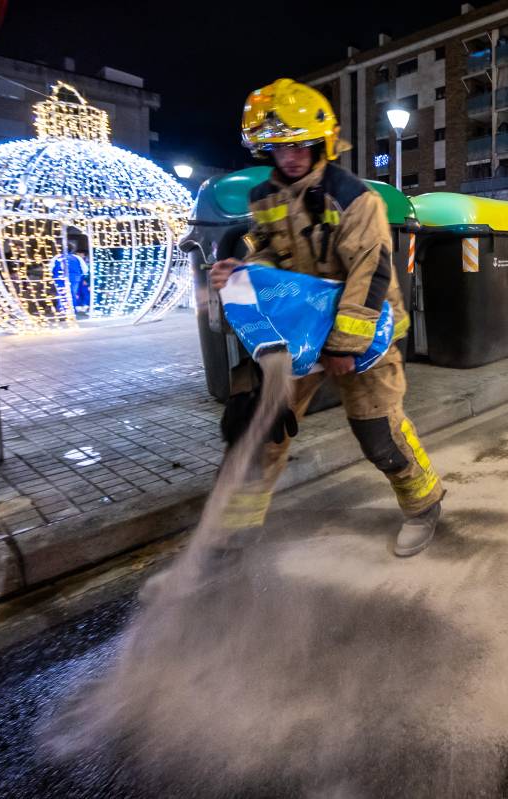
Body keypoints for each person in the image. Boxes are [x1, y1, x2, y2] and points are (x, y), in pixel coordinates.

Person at [209, 78, 443, 558]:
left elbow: (371, 272)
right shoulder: (265, 199)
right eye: (277, 148)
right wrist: (244, 271)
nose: (289, 157)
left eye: (299, 145)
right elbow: (273, 250)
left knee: (379, 433)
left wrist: (344, 345)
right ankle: (238, 533)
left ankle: (424, 505)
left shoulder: (355, 198)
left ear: (322, 142)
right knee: (260, 430)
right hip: (299, 336)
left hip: (365, 334)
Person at [51, 244, 89, 316]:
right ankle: (72, 310)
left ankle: (62, 310)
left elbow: (50, 269)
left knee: (61, 294)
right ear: (72, 250)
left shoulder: (56, 257)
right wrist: (80, 275)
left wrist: (53, 276)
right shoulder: (77, 258)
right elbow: (85, 269)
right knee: (72, 294)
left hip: (60, 278)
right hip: (74, 278)